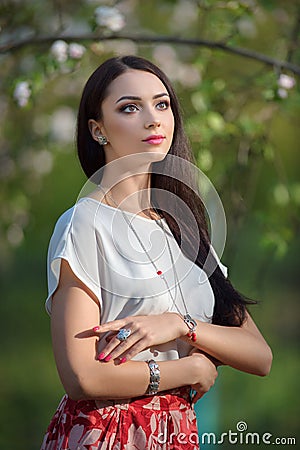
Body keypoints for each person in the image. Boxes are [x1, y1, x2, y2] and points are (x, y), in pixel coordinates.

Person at [40, 55, 272, 450]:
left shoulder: (184, 230)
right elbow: (80, 377)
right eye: (130, 107)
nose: (153, 118)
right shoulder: (84, 223)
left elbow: (259, 355)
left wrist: (181, 325)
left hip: (178, 433)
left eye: (162, 104)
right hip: (108, 432)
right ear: (98, 130)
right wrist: (189, 367)